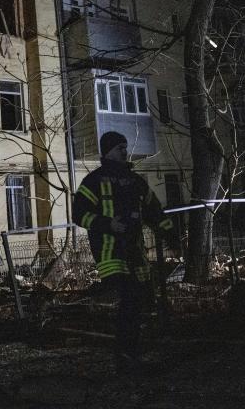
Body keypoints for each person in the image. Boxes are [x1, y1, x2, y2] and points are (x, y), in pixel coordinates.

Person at [73, 131, 174, 369]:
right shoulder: (93, 181)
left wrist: (170, 234)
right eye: (120, 147)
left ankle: (130, 352)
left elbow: (154, 211)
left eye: (125, 147)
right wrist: (108, 224)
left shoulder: (135, 181)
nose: (125, 152)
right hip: (111, 253)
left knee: (137, 302)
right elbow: (79, 214)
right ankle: (126, 354)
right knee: (129, 299)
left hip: (135, 252)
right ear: (108, 150)